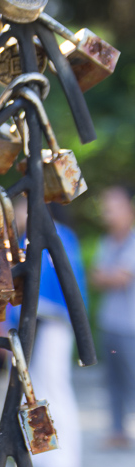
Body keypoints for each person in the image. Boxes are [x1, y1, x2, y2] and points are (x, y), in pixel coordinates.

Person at [12, 197, 86, 467]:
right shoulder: (27, 238)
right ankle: (44, 454)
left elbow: (63, 289)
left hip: (53, 325)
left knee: (54, 388)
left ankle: (65, 458)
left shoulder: (56, 237)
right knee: (36, 393)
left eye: (20, 206)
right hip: (33, 327)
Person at [91, 185, 135, 448]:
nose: (109, 213)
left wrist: (111, 276)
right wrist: (112, 276)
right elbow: (99, 278)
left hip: (131, 326)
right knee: (113, 381)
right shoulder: (106, 242)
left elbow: (120, 278)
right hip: (110, 323)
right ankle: (118, 431)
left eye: (114, 206)